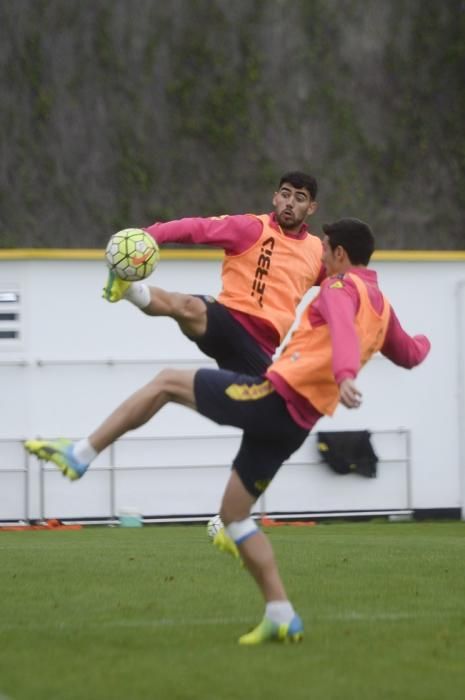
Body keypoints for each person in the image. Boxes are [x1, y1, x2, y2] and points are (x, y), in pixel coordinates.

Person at [25, 219, 431, 646]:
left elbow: (343, 328)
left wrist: (345, 372)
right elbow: (409, 354)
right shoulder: (382, 307)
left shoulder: (338, 287)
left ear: (342, 255)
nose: (322, 258)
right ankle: (281, 613)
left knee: (167, 382)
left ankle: (81, 454)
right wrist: (426, 342)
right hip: (296, 425)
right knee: (234, 517)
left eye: (326, 251)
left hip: (273, 400)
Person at [103, 171, 324, 374]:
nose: (290, 203)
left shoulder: (317, 252)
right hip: (227, 321)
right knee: (186, 306)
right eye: (285, 195)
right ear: (275, 198)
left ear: (311, 207)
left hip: (259, 348)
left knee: (264, 412)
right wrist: (149, 235)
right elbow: (196, 228)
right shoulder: (251, 228)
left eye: (299, 198)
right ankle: (128, 289)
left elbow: (347, 281)